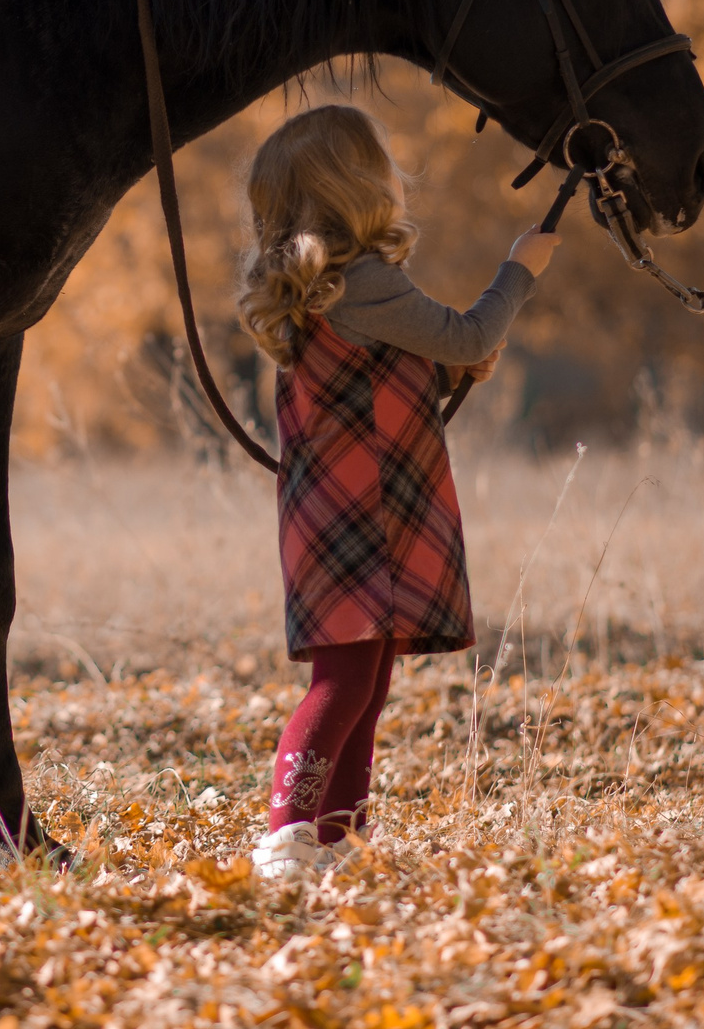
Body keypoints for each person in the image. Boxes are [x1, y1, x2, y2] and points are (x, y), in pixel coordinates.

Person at [233, 104, 560, 880]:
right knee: (346, 682)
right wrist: (520, 270)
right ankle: (287, 836)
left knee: (364, 681)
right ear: (356, 188)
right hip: (368, 517)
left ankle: (339, 842)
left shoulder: (319, 288)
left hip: (331, 513)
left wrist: (444, 366)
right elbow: (471, 333)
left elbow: (391, 368)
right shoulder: (366, 281)